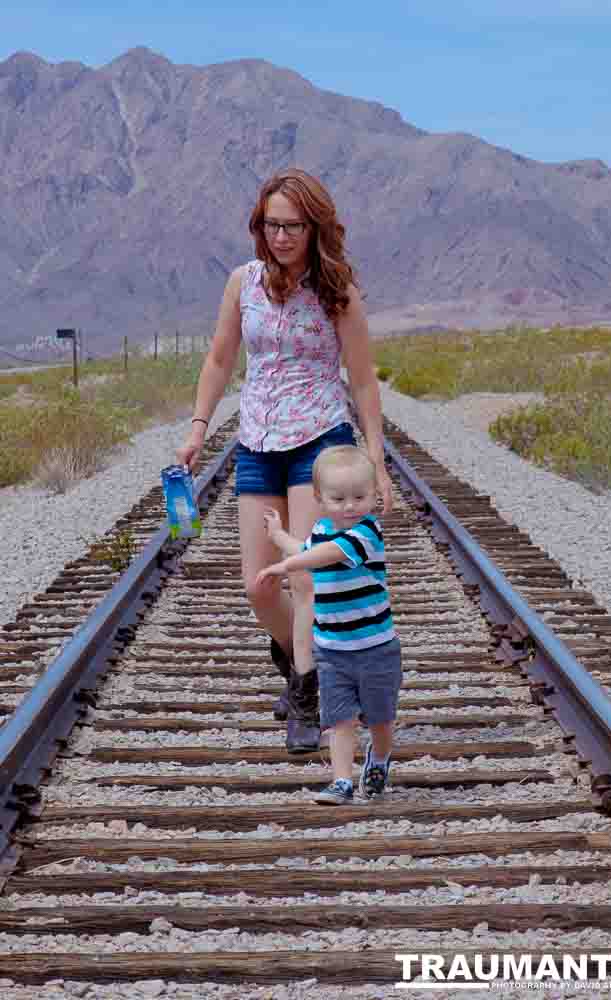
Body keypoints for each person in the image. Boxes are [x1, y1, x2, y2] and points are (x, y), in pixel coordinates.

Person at [176, 168, 393, 753]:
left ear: (314, 227)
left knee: (302, 577)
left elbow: (364, 381)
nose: (280, 236)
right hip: (257, 443)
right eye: (271, 224)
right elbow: (220, 360)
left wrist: (374, 456)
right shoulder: (242, 282)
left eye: (292, 225)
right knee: (257, 587)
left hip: (318, 439)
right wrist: (199, 427)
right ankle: (307, 663)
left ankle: (304, 695)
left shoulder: (336, 290)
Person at [256, 445, 401, 803]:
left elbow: (325, 556)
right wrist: (278, 537)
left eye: (359, 496)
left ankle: (379, 758)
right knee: (339, 720)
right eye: (339, 498)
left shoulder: (367, 533)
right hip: (333, 649)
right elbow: (305, 548)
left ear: (373, 497)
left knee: (380, 719)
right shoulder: (320, 530)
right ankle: (341, 781)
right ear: (320, 499)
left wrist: (285, 566)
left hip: (376, 648)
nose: (350, 505)